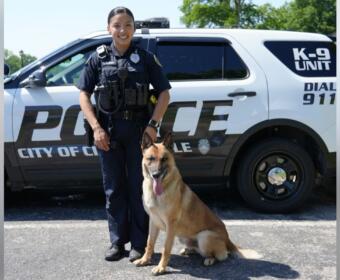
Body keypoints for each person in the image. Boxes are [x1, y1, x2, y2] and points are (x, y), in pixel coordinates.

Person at [77, 7, 171, 262]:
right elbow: (83, 94)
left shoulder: (145, 57)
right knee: (113, 188)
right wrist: (96, 127)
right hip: (107, 132)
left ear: (134, 28)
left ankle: (139, 245)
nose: (123, 30)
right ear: (109, 28)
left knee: (139, 188)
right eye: (117, 25)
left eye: (127, 24)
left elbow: (164, 92)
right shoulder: (97, 58)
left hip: (140, 133)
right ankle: (118, 242)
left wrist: (152, 125)